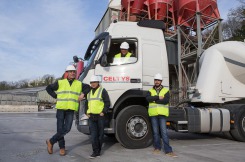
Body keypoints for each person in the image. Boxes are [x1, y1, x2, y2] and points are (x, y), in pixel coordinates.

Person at [45, 65, 90, 156]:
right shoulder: (60, 82)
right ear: (67, 73)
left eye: (74, 72)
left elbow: (88, 87)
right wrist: (55, 96)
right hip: (61, 108)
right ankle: (62, 148)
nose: (72, 73)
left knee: (67, 128)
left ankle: (51, 141)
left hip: (71, 109)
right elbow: (48, 88)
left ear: (75, 73)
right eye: (70, 71)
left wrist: (83, 94)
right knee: (60, 129)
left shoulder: (78, 83)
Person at [146, 73, 177, 158]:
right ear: (154, 81)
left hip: (162, 114)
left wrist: (154, 100)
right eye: (156, 80)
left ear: (161, 81)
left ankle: (168, 150)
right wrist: (158, 97)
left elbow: (166, 101)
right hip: (153, 114)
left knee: (164, 133)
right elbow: (148, 99)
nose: (157, 81)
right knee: (156, 133)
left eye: (158, 80)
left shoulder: (166, 91)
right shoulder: (150, 90)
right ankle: (157, 148)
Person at [86, 75, 110, 159]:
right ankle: (95, 152)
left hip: (100, 116)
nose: (93, 84)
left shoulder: (102, 90)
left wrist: (103, 111)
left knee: (100, 135)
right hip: (91, 116)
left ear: (98, 82)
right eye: (91, 82)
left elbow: (107, 102)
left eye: (94, 82)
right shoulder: (88, 92)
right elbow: (86, 103)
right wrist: (87, 112)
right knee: (93, 135)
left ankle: (98, 152)